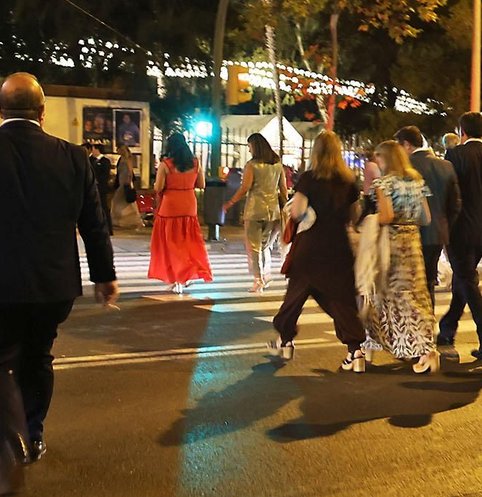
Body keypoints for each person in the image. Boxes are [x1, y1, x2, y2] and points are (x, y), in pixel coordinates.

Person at [0, 73, 118, 494]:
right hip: (51, 283)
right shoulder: (73, 158)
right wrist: (104, 277)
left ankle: (9, 441)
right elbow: (94, 225)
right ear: (43, 112)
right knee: (38, 356)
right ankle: (32, 434)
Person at [267, 131, 368, 369]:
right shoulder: (348, 181)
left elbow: (297, 211)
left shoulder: (309, 179)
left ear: (316, 152)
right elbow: (353, 217)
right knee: (341, 298)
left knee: (296, 294)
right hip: (338, 247)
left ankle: (286, 339)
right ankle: (356, 351)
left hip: (311, 245)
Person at [358, 140, 438, 373]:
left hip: (390, 244)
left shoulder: (383, 183)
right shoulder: (416, 181)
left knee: (386, 295)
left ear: (386, 158)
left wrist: (370, 220)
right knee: (415, 295)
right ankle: (424, 347)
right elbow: (426, 218)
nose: (377, 163)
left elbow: (386, 216)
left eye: (379, 158)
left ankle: (381, 344)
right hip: (412, 242)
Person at [438, 112, 482, 358]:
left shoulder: (454, 155)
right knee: (464, 279)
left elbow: (449, 195)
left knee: (466, 280)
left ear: (461, 132)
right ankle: (446, 330)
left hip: (459, 230)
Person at [396, 126, 460, 304]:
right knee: (429, 282)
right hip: (437, 233)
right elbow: (455, 205)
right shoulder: (445, 166)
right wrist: (444, 225)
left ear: (407, 145)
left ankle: (415, 326)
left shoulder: (404, 167)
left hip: (410, 234)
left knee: (410, 285)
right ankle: (427, 322)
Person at [148, 132, 214, 295]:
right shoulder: (195, 163)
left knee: (171, 243)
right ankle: (185, 275)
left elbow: (158, 187)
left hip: (170, 204)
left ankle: (176, 278)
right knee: (188, 241)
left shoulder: (166, 164)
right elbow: (202, 184)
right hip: (189, 205)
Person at [224, 134, 286, 292]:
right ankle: (266, 274)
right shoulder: (277, 164)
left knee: (254, 246)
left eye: (250, 146)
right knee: (265, 245)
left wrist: (230, 203)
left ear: (255, 146)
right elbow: (283, 189)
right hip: (273, 211)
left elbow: (245, 188)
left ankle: (258, 279)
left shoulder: (252, 165)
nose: (249, 150)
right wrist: (284, 206)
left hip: (255, 209)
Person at [111, 147, 143, 232]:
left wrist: (129, 182)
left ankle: (127, 220)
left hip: (125, 183)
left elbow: (130, 172)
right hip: (122, 182)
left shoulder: (127, 159)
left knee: (119, 201)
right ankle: (122, 221)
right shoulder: (121, 159)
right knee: (123, 202)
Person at [86, 143, 114, 235]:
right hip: (91, 187)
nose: (92, 151)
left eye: (93, 149)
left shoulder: (105, 161)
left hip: (101, 188)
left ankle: (108, 228)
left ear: (97, 150)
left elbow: (105, 176)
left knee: (103, 207)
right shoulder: (90, 160)